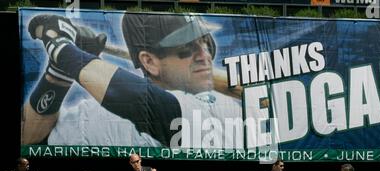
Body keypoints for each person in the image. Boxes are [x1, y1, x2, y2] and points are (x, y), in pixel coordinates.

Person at [23, 13, 243, 149]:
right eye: (186, 49)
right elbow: (29, 139)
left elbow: (142, 100)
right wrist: (57, 75)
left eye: (206, 44)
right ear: (149, 61)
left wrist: (62, 48)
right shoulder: (91, 114)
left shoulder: (222, 109)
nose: (204, 56)